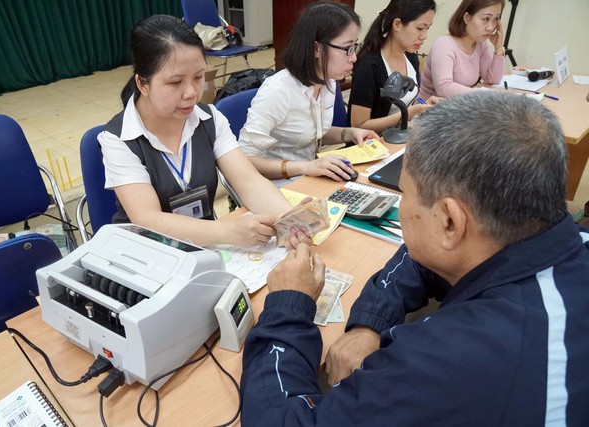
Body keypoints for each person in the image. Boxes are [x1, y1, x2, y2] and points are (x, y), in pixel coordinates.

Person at [240, 91, 589, 425]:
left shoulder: (446, 361)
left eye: (404, 193)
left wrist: (288, 305)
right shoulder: (547, 242)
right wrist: (369, 324)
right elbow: (423, 257)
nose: (401, 206)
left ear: (450, 221)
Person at [98, 15, 309, 249]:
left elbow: (248, 181)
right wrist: (227, 231)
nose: (191, 93)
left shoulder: (209, 118)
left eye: (199, 77)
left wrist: (288, 219)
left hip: (206, 245)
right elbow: (148, 220)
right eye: (175, 82)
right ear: (142, 84)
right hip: (149, 253)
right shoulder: (119, 139)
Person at [238, 1, 377, 185]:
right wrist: (305, 167)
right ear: (316, 49)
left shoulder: (328, 81)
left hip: (309, 177)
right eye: (347, 49)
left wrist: (349, 133)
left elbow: (312, 133)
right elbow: (244, 160)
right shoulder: (278, 91)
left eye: (355, 47)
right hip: (273, 185)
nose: (354, 57)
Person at [348, 0, 439, 133]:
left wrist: (423, 106)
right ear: (397, 24)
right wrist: (408, 113)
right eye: (420, 28)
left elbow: (406, 104)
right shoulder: (369, 66)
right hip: (372, 145)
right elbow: (358, 125)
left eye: (427, 28)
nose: (424, 36)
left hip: (400, 138)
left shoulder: (411, 57)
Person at [418, 0, 506, 99]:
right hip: (428, 108)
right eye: (486, 19)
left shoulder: (480, 45)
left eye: (496, 19)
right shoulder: (444, 44)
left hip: (456, 106)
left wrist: (498, 49)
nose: (490, 27)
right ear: (467, 18)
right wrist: (481, 95)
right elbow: (444, 88)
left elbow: (492, 79)